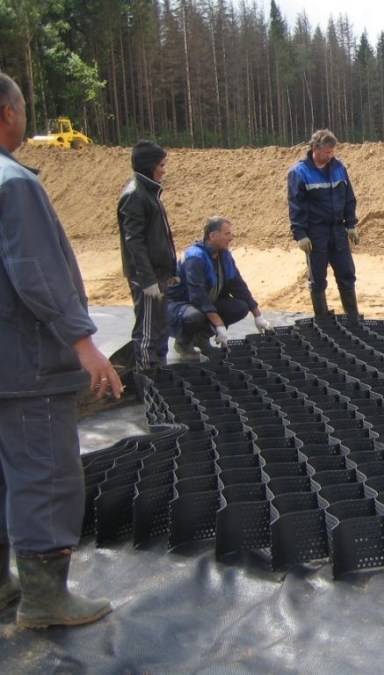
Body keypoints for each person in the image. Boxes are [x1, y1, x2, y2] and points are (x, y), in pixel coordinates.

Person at [0, 72, 123, 628]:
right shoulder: (14, 184)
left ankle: (6, 585)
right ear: (9, 113)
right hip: (25, 363)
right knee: (45, 473)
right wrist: (83, 343)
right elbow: (37, 275)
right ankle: (45, 598)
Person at [166, 216, 272, 356]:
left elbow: (238, 286)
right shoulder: (195, 258)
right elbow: (198, 297)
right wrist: (219, 324)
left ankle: (201, 338)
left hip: (204, 303)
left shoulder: (224, 256)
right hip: (179, 305)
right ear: (212, 235)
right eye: (227, 234)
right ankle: (183, 342)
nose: (231, 237)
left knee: (240, 307)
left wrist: (258, 316)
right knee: (194, 316)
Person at [116, 139, 177, 369]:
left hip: (158, 273)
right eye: (161, 165)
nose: (164, 170)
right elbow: (135, 242)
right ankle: (148, 382)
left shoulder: (149, 193)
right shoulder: (135, 195)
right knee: (147, 332)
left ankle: (159, 374)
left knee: (161, 329)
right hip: (147, 276)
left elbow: (161, 237)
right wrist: (148, 279)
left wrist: (169, 270)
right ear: (149, 166)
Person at [287, 129, 360, 322]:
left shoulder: (339, 168)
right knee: (318, 277)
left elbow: (349, 198)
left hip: (337, 230)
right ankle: (322, 318)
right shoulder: (300, 172)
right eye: (327, 152)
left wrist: (351, 223)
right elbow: (296, 205)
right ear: (315, 149)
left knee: (346, 272)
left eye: (332, 152)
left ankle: (352, 315)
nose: (330, 155)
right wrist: (300, 234)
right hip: (316, 232)